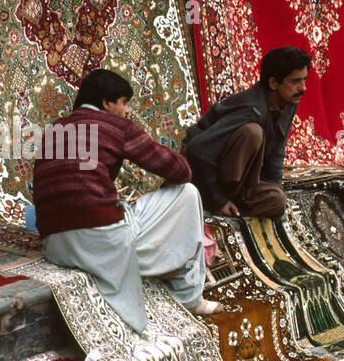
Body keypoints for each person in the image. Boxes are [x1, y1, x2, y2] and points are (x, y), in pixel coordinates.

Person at [32, 68, 218, 334]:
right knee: (188, 193)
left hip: (55, 246)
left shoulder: (53, 130)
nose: (127, 111)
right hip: (103, 242)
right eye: (124, 103)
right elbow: (179, 171)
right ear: (107, 102)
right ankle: (190, 298)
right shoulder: (115, 126)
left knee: (118, 209)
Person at [184, 45, 310, 220]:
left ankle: (235, 211)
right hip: (202, 174)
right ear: (273, 83)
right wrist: (218, 199)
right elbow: (198, 150)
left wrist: (274, 188)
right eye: (296, 81)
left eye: (304, 80)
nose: (303, 88)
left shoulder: (289, 103)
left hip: (241, 182)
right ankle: (212, 203)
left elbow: (276, 153)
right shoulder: (251, 108)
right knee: (253, 133)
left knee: (277, 200)